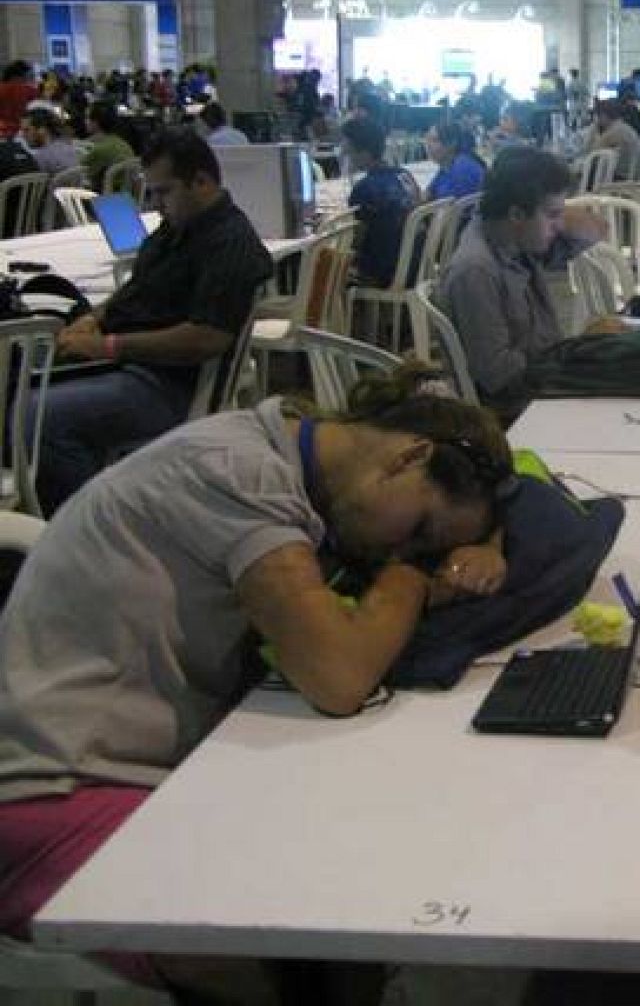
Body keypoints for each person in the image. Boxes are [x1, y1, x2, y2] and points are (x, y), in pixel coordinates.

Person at [0, 364, 513, 994]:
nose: (401, 552)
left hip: (137, 765)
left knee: (353, 862)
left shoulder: (286, 453)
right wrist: (409, 580)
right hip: (53, 792)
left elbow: (532, 479)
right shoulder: (239, 476)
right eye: (417, 533)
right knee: (280, 932)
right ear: (409, 456)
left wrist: (486, 543)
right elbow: (338, 676)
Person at [33, 129, 273, 516]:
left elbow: (207, 338)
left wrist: (109, 346)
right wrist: (95, 319)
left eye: (164, 193)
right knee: (19, 386)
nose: (157, 204)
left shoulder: (231, 242)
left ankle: (92, 530)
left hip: (165, 385)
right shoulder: (177, 228)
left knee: (39, 416)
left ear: (202, 181)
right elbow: (137, 288)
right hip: (129, 366)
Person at [439, 147, 597, 421]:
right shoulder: (476, 270)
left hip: (541, 384)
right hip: (518, 413)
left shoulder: (518, 242)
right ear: (516, 215)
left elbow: (596, 230)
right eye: (551, 215)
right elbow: (498, 375)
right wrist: (571, 363)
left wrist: (552, 210)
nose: (559, 226)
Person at [342, 117, 418, 288]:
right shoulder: (404, 175)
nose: (346, 156)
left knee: (323, 264)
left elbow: (355, 239)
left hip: (383, 272)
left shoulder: (365, 188)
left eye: (349, 152)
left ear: (364, 153)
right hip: (414, 264)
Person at [424, 120, 486, 203]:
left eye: (434, 140)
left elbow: (449, 210)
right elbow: (429, 192)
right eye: (427, 139)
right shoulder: (448, 165)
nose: (428, 145)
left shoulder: (463, 169)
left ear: (452, 144)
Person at [81, 101, 136, 193]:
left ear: (96, 122)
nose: (85, 121)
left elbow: (78, 174)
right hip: (125, 203)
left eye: (87, 117)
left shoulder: (100, 150)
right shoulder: (123, 144)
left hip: (104, 202)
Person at [586, 98, 640, 178]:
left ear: (603, 115)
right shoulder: (624, 128)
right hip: (631, 175)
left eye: (597, 115)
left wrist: (593, 129)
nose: (596, 119)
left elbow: (591, 153)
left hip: (619, 178)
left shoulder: (614, 132)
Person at [18, 108, 76, 179]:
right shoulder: (68, 147)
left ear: (42, 130)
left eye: (27, 130)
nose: (23, 135)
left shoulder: (41, 158)